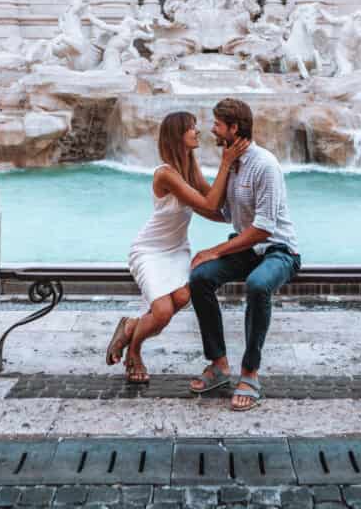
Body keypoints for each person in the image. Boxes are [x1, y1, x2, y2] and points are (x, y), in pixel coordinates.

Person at [105, 111, 248, 383]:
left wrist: (244, 220)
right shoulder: (165, 174)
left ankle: (130, 326)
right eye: (191, 129)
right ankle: (134, 351)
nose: (197, 133)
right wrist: (226, 163)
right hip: (150, 249)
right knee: (162, 311)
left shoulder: (190, 171)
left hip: (177, 249)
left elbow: (215, 208)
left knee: (182, 298)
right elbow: (207, 204)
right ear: (176, 136)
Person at [189, 98, 300, 411]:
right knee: (199, 277)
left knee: (258, 284)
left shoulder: (265, 164)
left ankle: (250, 373)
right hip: (246, 248)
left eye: (217, 125)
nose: (212, 129)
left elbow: (264, 229)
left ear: (234, 128)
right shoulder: (232, 163)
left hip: (279, 250)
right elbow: (223, 212)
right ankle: (220, 364)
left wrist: (215, 250)